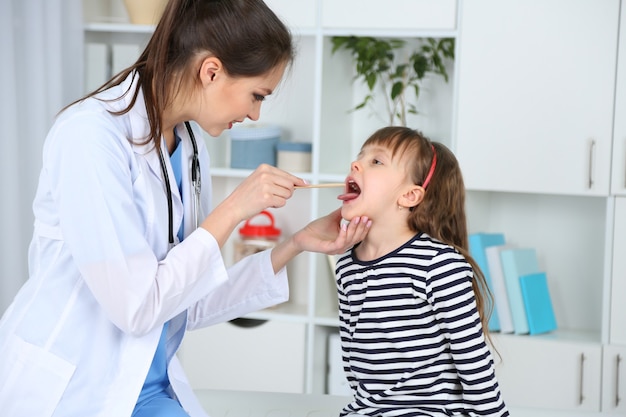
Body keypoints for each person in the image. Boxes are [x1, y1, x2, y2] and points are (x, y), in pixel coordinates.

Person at [0, 1, 371, 416]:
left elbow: (188, 299)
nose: (254, 114)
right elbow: (137, 308)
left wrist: (295, 244)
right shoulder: (89, 138)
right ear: (211, 71)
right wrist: (232, 210)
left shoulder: (189, 147)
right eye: (256, 95)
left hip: (147, 387)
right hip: (77, 390)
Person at [334, 126, 508, 416]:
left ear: (410, 196)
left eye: (376, 161)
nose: (356, 164)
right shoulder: (347, 265)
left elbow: (475, 364)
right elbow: (355, 367)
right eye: (359, 157)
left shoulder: (440, 265)